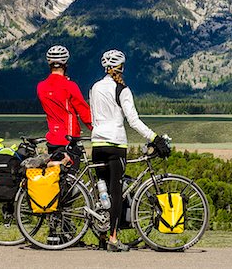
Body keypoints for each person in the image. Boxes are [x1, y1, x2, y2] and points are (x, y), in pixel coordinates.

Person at [90, 49, 170, 252]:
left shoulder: (95, 88)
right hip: (115, 145)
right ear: (121, 68)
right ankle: (113, 238)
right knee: (116, 192)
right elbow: (133, 121)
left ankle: (101, 234)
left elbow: (93, 119)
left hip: (97, 143)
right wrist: (154, 138)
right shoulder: (122, 90)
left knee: (103, 192)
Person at [37, 45, 92, 168]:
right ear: (65, 64)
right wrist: (97, 130)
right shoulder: (69, 86)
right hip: (69, 139)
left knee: (55, 178)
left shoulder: (41, 87)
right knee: (71, 179)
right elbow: (85, 113)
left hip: (52, 140)